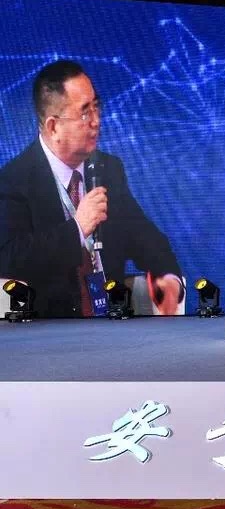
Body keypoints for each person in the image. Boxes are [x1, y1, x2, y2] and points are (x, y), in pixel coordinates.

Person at [0, 59, 181, 318]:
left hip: (112, 322)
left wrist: (169, 277)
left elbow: (144, 236)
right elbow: (10, 258)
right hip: (50, 328)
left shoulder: (108, 169)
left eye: (97, 107)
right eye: (85, 112)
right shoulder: (14, 180)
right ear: (53, 126)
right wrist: (77, 229)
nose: (96, 121)